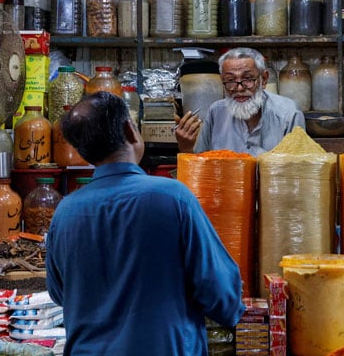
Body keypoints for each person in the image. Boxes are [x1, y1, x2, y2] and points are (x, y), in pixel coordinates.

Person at [46, 91, 245, 355]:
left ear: (82, 151)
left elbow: (61, 294)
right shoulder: (173, 197)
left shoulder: (64, 212)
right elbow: (220, 293)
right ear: (130, 130)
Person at [175, 47, 305, 156]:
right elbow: (201, 165)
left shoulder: (288, 114)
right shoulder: (216, 112)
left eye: (248, 78)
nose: (239, 88)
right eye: (230, 80)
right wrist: (186, 147)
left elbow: (296, 171)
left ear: (264, 79)